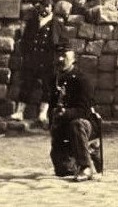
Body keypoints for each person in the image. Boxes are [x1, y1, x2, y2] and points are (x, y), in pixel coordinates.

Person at [48, 47, 101, 181]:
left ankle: (86, 167)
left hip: (85, 125)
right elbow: (52, 105)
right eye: (58, 56)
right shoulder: (54, 79)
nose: (60, 59)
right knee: (63, 171)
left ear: (73, 59)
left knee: (76, 124)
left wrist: (66, 112)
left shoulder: (82, 79)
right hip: (63, 125)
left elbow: (84, 111)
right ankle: (88, 150)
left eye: (65, 56)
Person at [11, 0, 62, 125]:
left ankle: (42, 113)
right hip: (32, 59)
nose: (45, 9)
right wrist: (26, 54)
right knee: (26, 84)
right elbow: (25, 40)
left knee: (48, 87)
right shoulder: (33, 22)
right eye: (43, 6)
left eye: (47, 7)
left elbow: (61, 42)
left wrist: (58, 57)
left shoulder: (56, 23)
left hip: (47, 61)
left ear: (52, 8)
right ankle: (20, 112)